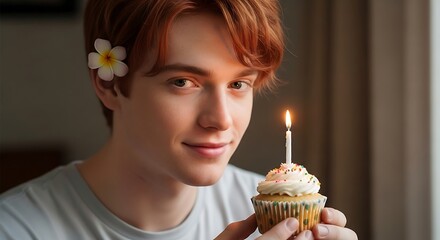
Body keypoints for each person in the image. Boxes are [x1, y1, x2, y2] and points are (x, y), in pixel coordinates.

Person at [0, 0, 358, 239]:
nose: (220, 119)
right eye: (183, 82)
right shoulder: (17, 228)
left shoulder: (268, 215)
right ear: (107, 84)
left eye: (238, 83)